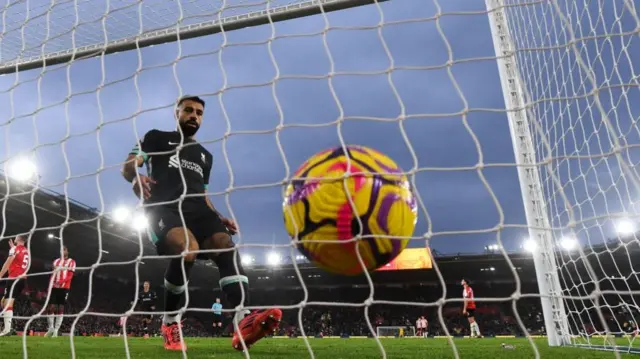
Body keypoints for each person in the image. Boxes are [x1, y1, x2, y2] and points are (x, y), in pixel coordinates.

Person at [121, 94, 281, 351]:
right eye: (189, 110)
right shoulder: (156, 137)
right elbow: (128, 165)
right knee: (187, 249)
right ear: (177, 113)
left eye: (199, 112)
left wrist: (219, 217)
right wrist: (135, 177)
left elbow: (203, 195)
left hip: (198, 211)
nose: (194, 116)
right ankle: (171, 321)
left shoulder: (205, 156)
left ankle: (243, 319)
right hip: (164, 207)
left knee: (225, 244)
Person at [0, 236, 29, 336]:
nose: (14, 238)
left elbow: (8, 263)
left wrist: (0, 275)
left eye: (16, 237)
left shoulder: (14, 249)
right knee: (4, 301)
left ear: (19, 239)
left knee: (8, 303)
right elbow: (20, 259)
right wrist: (13, 248)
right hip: (22, 280)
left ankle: (7, 330)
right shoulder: (26, 251)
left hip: (13, 278)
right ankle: (8, 327)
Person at [45, 246, 75, 337]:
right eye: (61, 250)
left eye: (64, 250)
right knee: (50, 307)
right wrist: (50, 285)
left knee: (60, 308)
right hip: (54, 287)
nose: (62, 251)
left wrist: (60, 282)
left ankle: (56, 330)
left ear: (67, 251)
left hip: (64, 287)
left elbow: (70, 276)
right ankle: (51, 328)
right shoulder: (56, 261)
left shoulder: (71, 262)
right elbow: (52, 274)